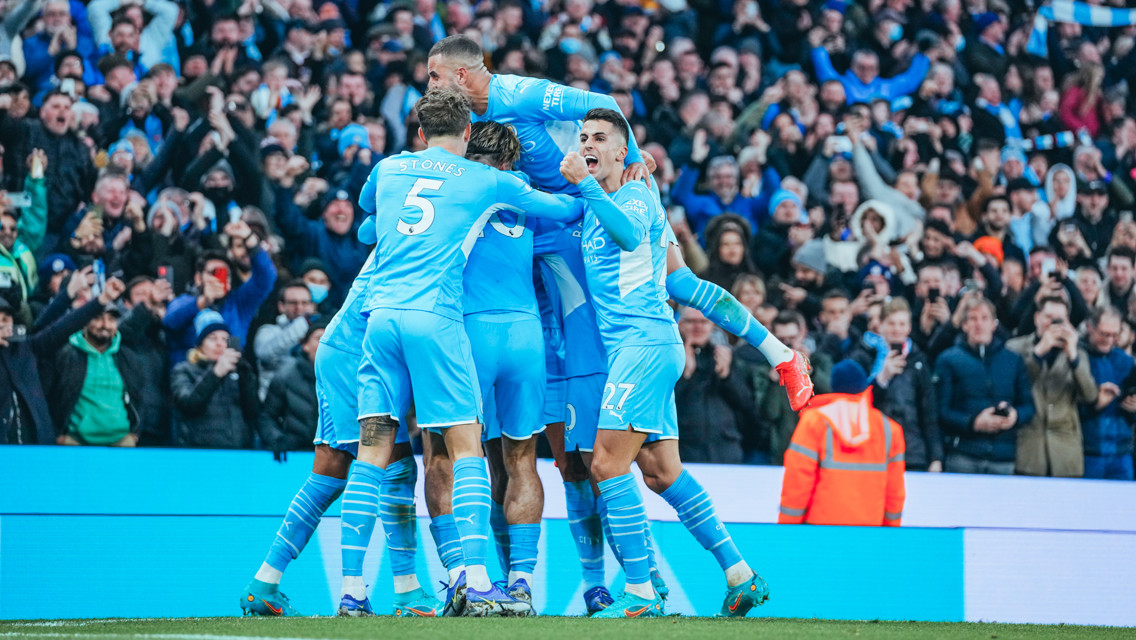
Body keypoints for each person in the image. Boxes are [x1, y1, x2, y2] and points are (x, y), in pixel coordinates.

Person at [343, 89, 581, 618]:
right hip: (521, 337)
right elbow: (568, 211)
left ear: (423, 133)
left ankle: (399, 582)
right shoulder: (502, 189)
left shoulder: (392, 169)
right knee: (516, 458)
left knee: (427, 453)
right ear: (469, 132)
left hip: (420, 325)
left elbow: (366, 225)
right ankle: (514, 581)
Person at [559, 108, 768, 618]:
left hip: (643, 346)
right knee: (660, 471)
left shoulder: (632, 194)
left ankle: (639, 594)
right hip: (641, 348)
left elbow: (632, 235)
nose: (587, 143)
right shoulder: (599, 199)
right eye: (582, 136)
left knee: (605, 464)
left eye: (599, 137)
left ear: (619, 151)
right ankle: (740, 574)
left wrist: (601, 181)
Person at [0, 272, 125, 445]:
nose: (2, 323)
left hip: (36, 451)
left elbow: (61, 328)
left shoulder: (27, 348)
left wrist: (101, 300)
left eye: (6, 318)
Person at [778, 360, 905, 526]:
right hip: (870, 529)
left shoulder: (814, 422)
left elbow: (797, 481)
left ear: (834, 385)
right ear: (863, 386)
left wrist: (788, 528)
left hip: (819, 529)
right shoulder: (889, 429)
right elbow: (895, 490)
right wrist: (891, 530)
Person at [935, 297, 1035, 474]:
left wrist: (1014, 415)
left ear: (994, 324)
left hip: (1003, 457)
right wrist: (973, 423)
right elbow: (942, 411)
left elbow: (1029, 406)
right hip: (963, 455)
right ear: (964, 325)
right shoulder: (948, 359)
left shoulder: (1013, 360)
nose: (979, 324)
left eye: (984, 318)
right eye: (973, 319)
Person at [847, 298, 942, 472]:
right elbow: (856, 406)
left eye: (901, 323)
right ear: (881, 325)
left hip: (912, 452)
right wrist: (881, 378)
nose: (897, 329)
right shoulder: (863, 356)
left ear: (909, 327)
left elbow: (929, 413)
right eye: (891, 323)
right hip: (874, 449)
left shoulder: (919, 361)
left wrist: (935, 457)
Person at [1006, 296, 1097, 478]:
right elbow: (1010, 387)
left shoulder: (1078, 353)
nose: (1053, 324)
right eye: (1048, 317)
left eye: (1059, 319)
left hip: (1065, 450)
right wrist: (1039, 353)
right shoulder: (1014, 348)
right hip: (1029, 448)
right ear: (1036, 318)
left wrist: (1073, 357)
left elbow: (1090, 395)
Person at [163, 224, 277, 364]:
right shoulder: (184, 301)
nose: (219, 279)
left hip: (230, 380)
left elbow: (266, 278)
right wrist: (202, 302)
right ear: (198, 278)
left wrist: (250, 239)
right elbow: (170, 322)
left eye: (225, 275)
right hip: (190, 381)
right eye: (214, 273)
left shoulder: (239, 304)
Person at [45, 302, 144, 446]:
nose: (105, 325)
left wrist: (134, 434)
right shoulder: (65, 355)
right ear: (83, 321)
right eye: (97, 318)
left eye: (111, 319)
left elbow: (139, 397)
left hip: (121, 444)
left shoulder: (126, 356)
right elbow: (46, 397)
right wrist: (58, 436)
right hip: (75, 445)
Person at [675, 306, 757, 464]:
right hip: (684, 452)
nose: (697, 327)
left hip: (726, 451)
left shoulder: (725, 356)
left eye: (703, 322)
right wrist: (685, 375)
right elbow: (660, 406)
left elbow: (746, 404)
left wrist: (727, 376)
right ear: (680, 324)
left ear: (712, 325)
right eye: (691, 321)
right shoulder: (668, 358)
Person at [170, 310, 258, 449]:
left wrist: (246, 376)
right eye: (212, 338)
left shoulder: (237, 373)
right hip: (200, 453)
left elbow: (253, 412)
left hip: (239, 454)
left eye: (224, 339)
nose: (219, 344)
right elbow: (188, 405)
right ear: (200, 344)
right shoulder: (184, 370)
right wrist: (216, 373)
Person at [1081, 307, 1136, 480]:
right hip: (1087, 452)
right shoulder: (1077, 358)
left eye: (1115, 335)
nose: (1109, 340)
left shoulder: (1126, 362)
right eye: (1104, 334)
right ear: (1090, 327)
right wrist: (1093, 403)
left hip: (1121, 453)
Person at [258, 319, 324, 457]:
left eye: (329, 338)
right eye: (319, 338)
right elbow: (267, 416)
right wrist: (277, 439)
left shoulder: (346, 378)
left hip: (332, 456)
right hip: (293, 454)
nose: (325, 343)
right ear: (305, 345)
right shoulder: (285, 375)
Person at [253, 280, 315, 400]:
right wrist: (304, 323)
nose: (299, 308)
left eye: (304, 303)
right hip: (273, 405)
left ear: (312, 306)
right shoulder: (268, 331)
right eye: (293, 303)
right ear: (281, 306)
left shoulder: (318, 334)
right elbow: (265, 353)